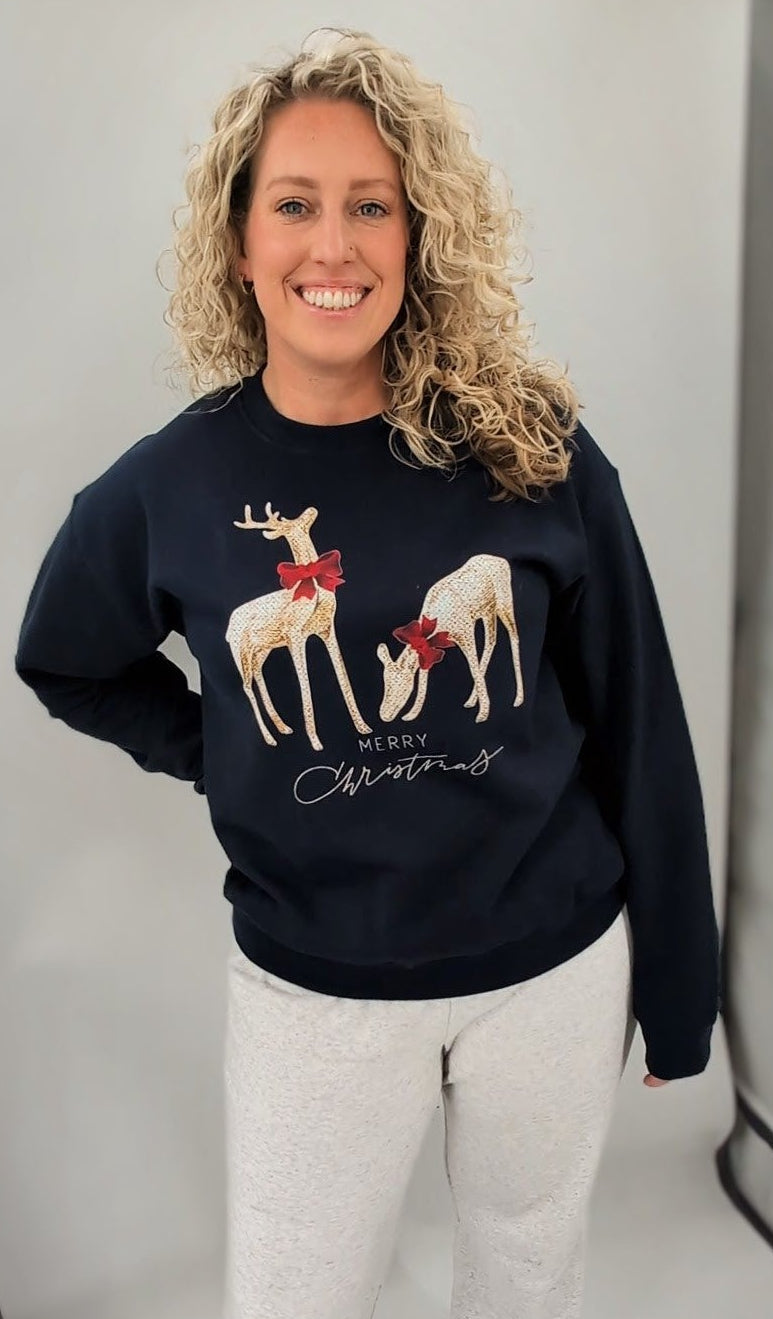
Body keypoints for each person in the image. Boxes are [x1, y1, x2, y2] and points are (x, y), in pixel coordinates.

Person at [14, 26, 722, 1319]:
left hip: (550, 975)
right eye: (294, 206)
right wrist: (214, 742)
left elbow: (638, 719)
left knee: (528, 1285)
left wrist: (681, 993)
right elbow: (61, 655)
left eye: (369, 207)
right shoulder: (168, 489)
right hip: (315, 996)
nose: (331, 246)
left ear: (416, 237)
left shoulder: (531, 447)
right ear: (241, 244)